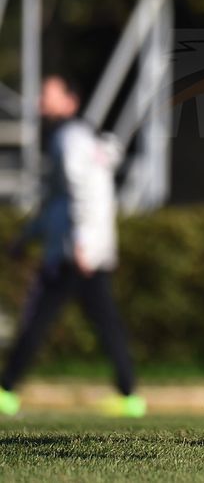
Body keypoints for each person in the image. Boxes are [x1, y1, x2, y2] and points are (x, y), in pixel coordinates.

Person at [0, 74, 145, 418]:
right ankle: (130, 395)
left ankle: (6, 390)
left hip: (75, 253)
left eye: (47, 96)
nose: (40, 103)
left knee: (38, 319)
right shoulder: (77, 138)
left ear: (70, 102)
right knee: (104, 321)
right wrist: (28, 236)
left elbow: (80, 192)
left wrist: (81, 243)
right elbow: (57, 200)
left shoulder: (69, 139)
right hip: (85, 250)